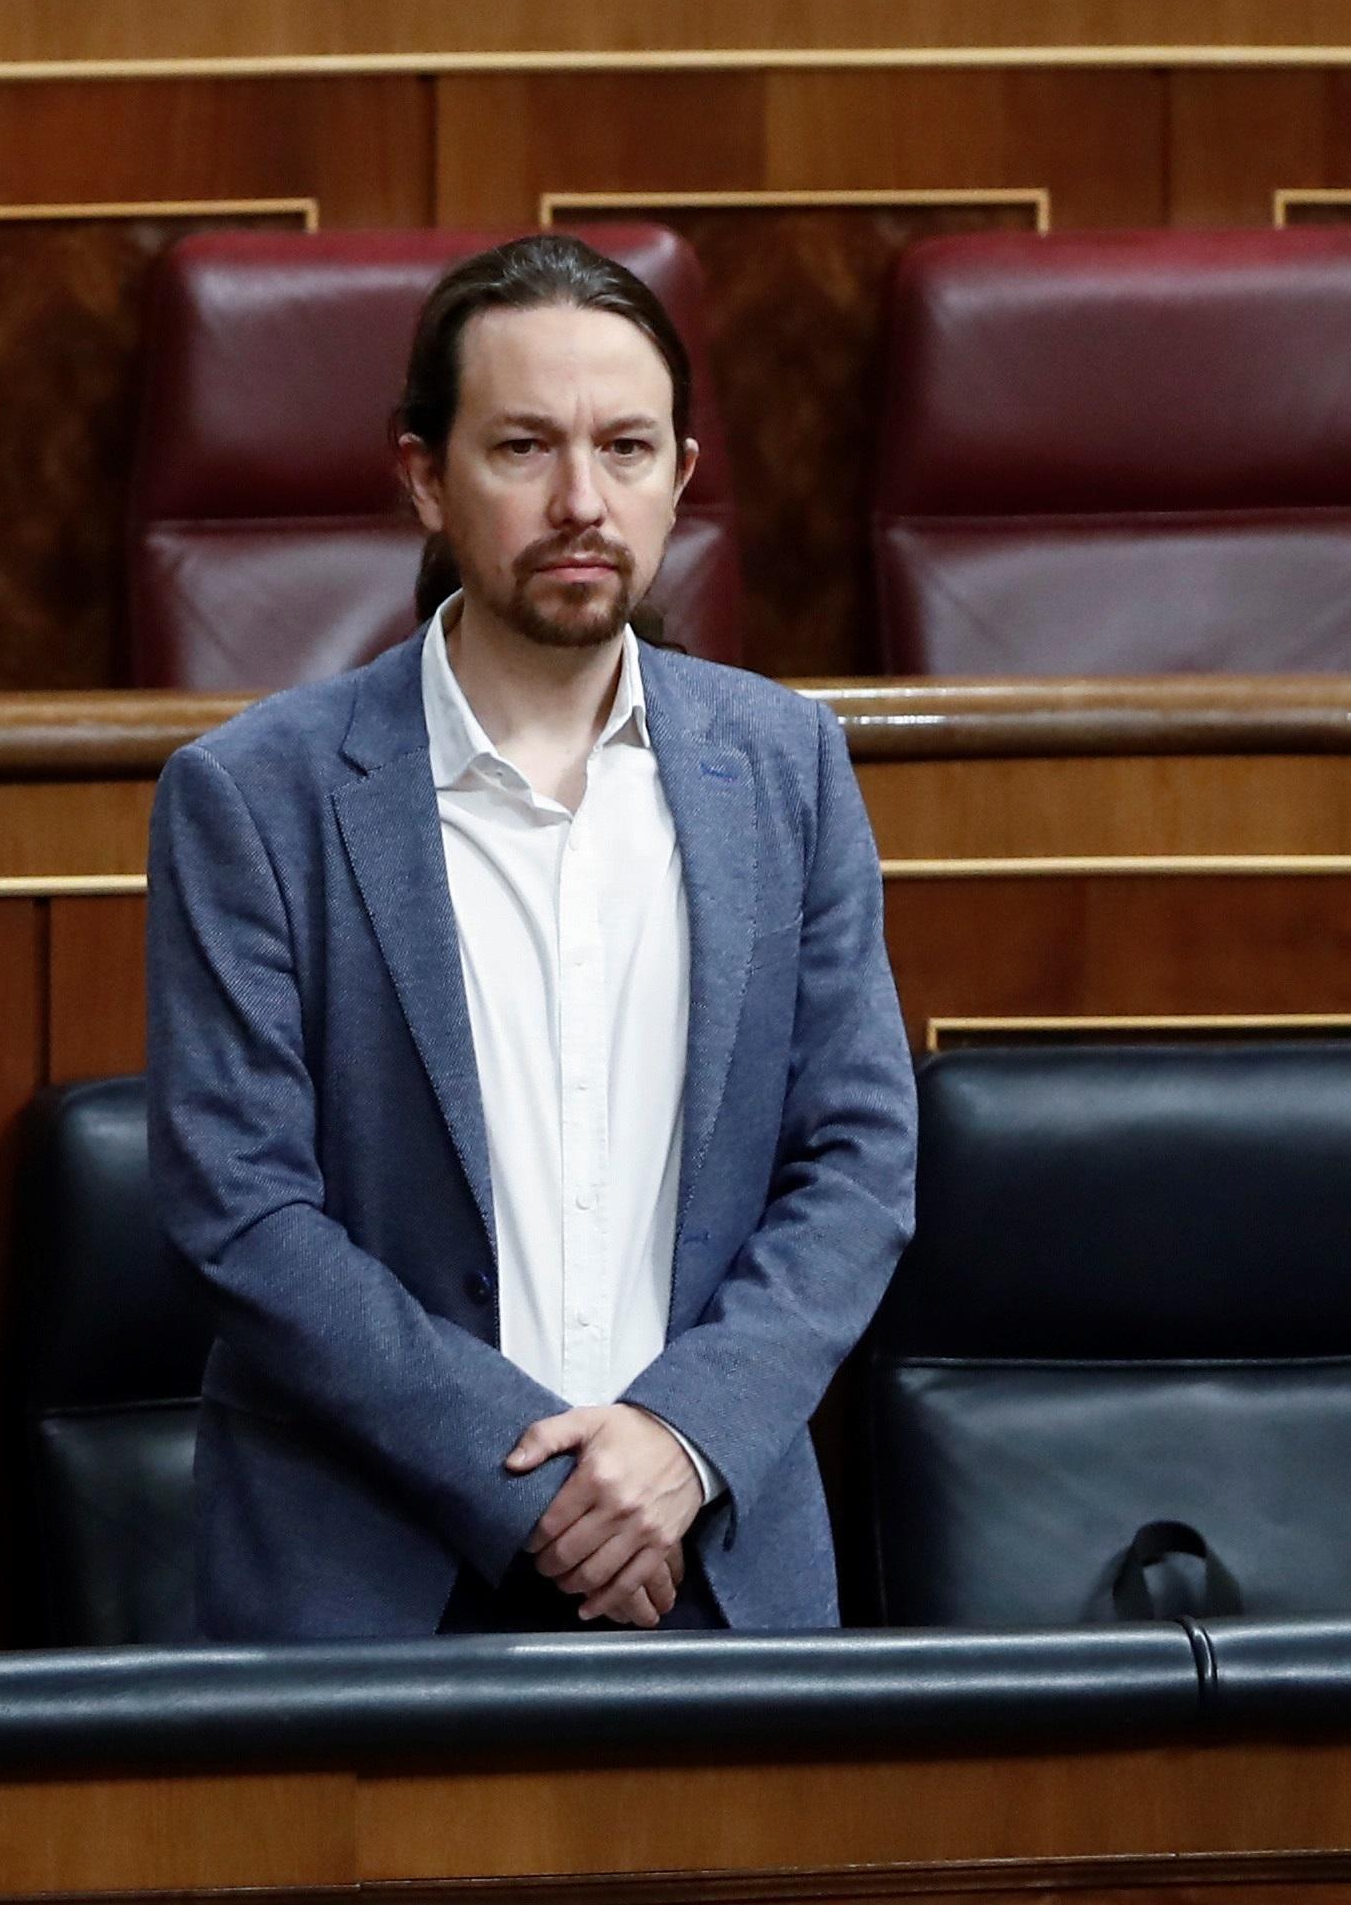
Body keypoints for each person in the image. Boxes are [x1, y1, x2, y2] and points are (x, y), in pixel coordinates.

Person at [143, 233, 914, 1638]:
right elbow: (241, 1210)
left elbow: (857, 1164)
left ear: (682, 478)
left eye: (627, 448)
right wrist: (538, 1492)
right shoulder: (253, 794)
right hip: (372, 1587)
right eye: (521, 448)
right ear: (424, 478)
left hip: (714, 1568)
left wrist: (680, 1440)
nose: (581, 500)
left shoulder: (788, 764)